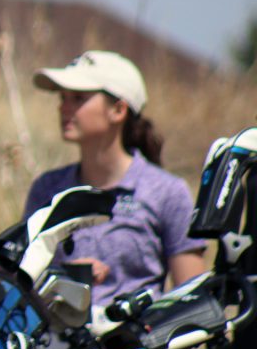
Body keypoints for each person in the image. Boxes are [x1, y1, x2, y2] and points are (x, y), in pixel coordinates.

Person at [23, 51, 207, 315]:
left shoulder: (167, 193)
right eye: (62, 98)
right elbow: (21, 285)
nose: (63, 107)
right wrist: (60, 280)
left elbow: (192, 301)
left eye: (78, 98)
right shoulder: (47, 189)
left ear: (118, 110)